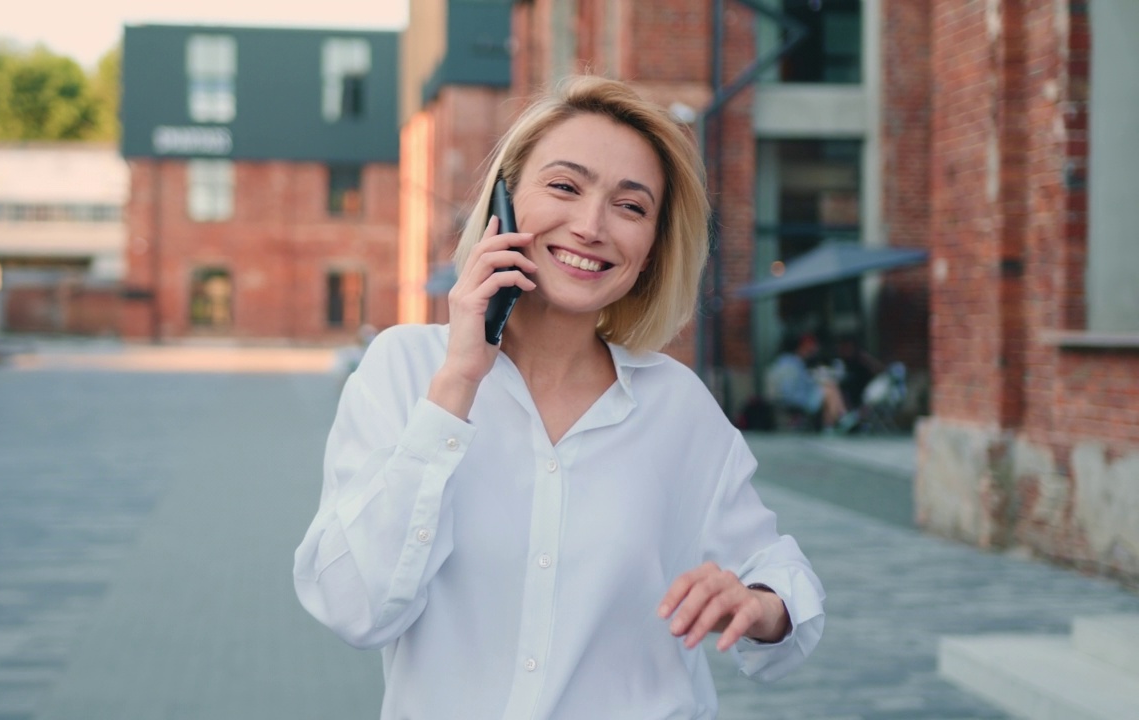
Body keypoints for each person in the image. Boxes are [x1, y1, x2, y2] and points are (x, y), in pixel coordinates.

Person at [294, 76, 824, 719]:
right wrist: (456, 385)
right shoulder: (405, 369)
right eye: (565, 187)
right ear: (505, 201)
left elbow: (780, 577)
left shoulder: (677, 406)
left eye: (631, 207)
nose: (592, 225)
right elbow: (353, 608)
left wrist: (760, 604)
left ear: (653, 249)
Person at [765, 332, 850, 431]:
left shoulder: (793, 361)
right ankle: (842, 418)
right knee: (829, 389)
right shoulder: (791, 363)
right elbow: (790, 389)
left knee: (828, 388)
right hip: (795, 400)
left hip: (795, 397)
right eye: (811, 347)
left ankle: (833, 424)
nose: (814, 350)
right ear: (803, 346)